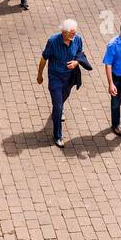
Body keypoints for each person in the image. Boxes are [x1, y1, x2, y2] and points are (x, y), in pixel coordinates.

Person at [36, 19, 92, 147]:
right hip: (55, 77)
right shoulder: (53, 42)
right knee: (57, 105)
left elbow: (80, 53)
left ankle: (59, 109)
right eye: (71, 33)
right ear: (63, 32)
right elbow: (44, 59)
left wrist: (76, 62)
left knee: (64, 98)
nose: (73, 35)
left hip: (70, 77)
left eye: (74, 33)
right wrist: (39, 75)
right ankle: (57, 135)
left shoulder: (78, 39)